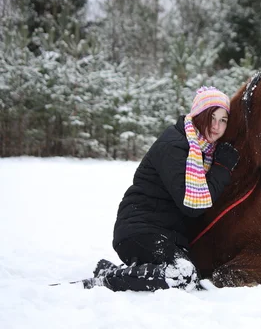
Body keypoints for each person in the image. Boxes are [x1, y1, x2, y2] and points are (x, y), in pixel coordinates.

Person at [83, 86, 239, 291]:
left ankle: (107, 269)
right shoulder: (174, 145)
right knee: (184, 275)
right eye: (212, 117)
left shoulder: (204, 151)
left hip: (164, 232)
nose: (217, 127)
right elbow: (192, 205)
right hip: (139, 229)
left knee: (191, 272)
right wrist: (222, 168)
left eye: (223, 120)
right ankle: (106, 281)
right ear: (199, 115)